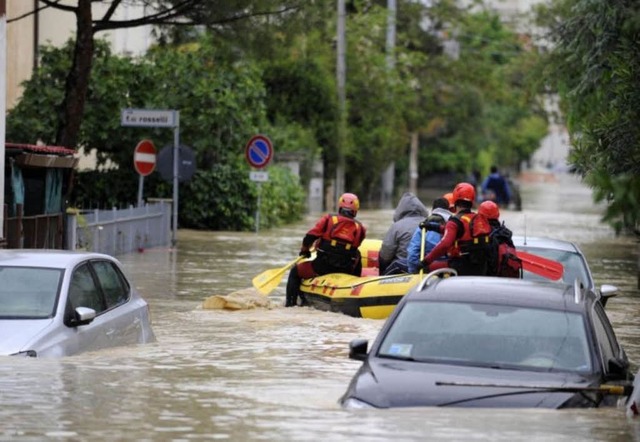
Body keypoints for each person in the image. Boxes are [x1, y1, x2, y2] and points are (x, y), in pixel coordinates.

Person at [285, 192, 367, 307]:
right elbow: (354, 247)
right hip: (345, 269)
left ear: (340, 207)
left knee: (295, 272)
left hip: (322, 267)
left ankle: (290, 305)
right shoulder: (361, 228)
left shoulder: (329, 219)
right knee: (357, 255)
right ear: (355, 211)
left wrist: (305, 250)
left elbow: (310, 236)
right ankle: (355, 283)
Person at [420, 182, 492, 276]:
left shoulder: (455, 221)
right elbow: (459, 232)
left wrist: (425, 261)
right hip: (481, 267)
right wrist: (433, 227)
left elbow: (444, 245)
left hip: (461, 266)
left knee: (428, 268)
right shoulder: (475, 218)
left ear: (455, 198)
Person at [378, 192, 429, 275]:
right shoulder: (429, 223)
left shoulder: (397, 226)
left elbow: (386, 254)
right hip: (426, 266)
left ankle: (380, 279)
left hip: (402, 267)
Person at [406, 197, 452, 273]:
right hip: (450, 269)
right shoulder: (454, 226)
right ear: (448, 210)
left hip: (428, 269)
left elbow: (412, 253)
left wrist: (414, 272)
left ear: (432, 210)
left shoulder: (423, 227)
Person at [478, 200, 522, 278]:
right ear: (498, 215)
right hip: (506, 280)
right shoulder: (505, 235)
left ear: (480, 216)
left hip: (488, 281)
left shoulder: (483, 235)